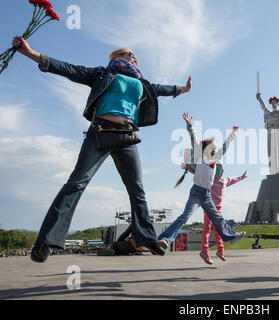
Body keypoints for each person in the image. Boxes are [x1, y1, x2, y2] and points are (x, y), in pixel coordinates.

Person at [12, 36, 192, 263]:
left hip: (126, 136)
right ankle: (46, 240)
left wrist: (183, 89)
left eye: (135, 56)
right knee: (76, 183)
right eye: (129, 54)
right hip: (100, 133)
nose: (134, 58)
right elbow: (69, 69)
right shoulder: (102, 74)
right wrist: (30, 53)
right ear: (116, 57)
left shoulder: (142, 82)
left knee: (137, 189)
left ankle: (146, 238)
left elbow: (163, 89)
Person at [156, 113, 246, 252]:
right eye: (213, 148)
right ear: (206, 149)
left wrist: (233, 134)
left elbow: (225, 146)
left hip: (207, 194)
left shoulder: (216, 159)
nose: (216, 150)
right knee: (185, 216)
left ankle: (231, 236)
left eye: (216, 149)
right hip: (197, 192)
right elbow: (194, 139)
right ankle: (165, 239)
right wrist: (190, 125)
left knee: (217, 217)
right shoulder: (200, 157)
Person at [182, 163, 247, 264]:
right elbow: (198, 173)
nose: (218, 173)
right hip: (209, 207)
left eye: (220, 171)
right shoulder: (210, 181)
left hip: (218, 208)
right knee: (207, 230)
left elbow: (233, 179)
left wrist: (241, 177)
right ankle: (205, 252)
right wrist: (188, 168)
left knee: (218, 231)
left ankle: (220, 251)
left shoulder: (224, 181)